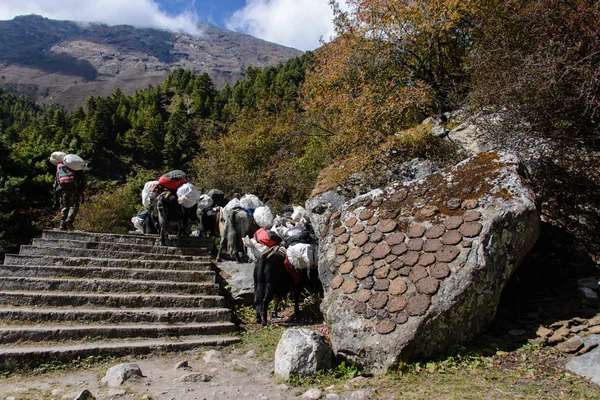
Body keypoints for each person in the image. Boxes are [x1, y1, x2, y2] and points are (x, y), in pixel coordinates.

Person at [54, 162, 86, 230]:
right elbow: (82, 180)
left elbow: (57, 180)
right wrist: (81, 190)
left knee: (65, 205)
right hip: (75, 189)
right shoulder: (76, 167)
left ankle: (62, 223)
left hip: (64, 189)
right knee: (75, 205)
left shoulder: (61, 167)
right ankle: (69, 220)